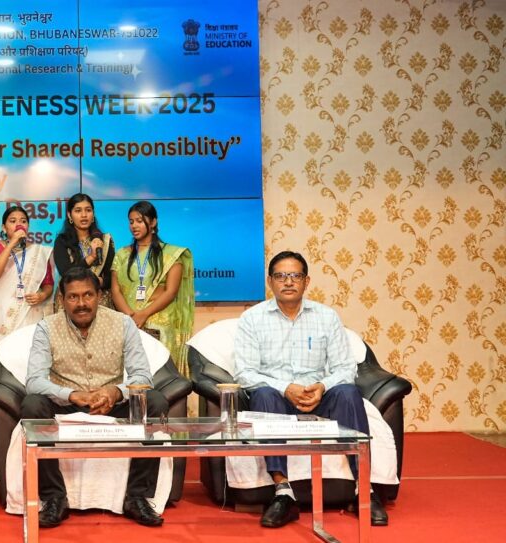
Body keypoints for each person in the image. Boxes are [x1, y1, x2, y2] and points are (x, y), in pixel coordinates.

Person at [233, 251, 388, 528]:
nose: (288, 282)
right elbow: (245, 373)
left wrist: (322, 386)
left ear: (306, 281)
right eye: (281, 276)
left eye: (295, 276)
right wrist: (286, 388)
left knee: (348, 392)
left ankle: (363, 489)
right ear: (270, 281)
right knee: (263, 393)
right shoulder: (252, 319)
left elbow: (346, 368)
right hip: (277, 397)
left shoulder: (327, 317)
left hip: (319, 395)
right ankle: (283, 492)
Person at [21, 267, 166, 528]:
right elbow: (34, 380)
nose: (81, 303)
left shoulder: (122, 323)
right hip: (66, 407)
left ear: (99, 296)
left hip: (111, 406)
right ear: (62, 299)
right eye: (73, 297)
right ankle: (54, 498)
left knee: (154, 401)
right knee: (32, 404)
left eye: (87, 295)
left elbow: (143, 375)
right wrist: (71, 395)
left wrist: (115, 392)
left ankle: (137, 497)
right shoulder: (46, 328)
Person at [0, 205, 53, 453]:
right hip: (2, 319)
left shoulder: (39, 252)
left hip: (30, 317)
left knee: (28, 372)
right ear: (4, 227)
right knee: (3, 375)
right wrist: (12, 244)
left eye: (23, 220)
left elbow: (48, 285)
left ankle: (31, 435)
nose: (19, 224)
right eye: (12, 221)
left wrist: (41, 295)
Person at [111, 200, 195, 377]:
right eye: (131, 221)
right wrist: (130, 316)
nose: (134, 226)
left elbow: (171, 292)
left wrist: (144, 314)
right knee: (132, 374)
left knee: (160, 374)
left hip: (160, 321)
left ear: (153, 222)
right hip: (129, 321)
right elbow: (116, 290)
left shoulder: (171, 255)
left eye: (139, 221)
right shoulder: (122, 254)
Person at [52, 193, 115, 311]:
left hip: (99, 302)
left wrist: (100, 282)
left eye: (88, 210)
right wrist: (91, 258)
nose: (84, 215)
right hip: (70, 301)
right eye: (78, 211)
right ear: (69, 215)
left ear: (93, 214)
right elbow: (66, 273)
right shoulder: (62, 241)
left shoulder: (105, 240)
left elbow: (111, 278)